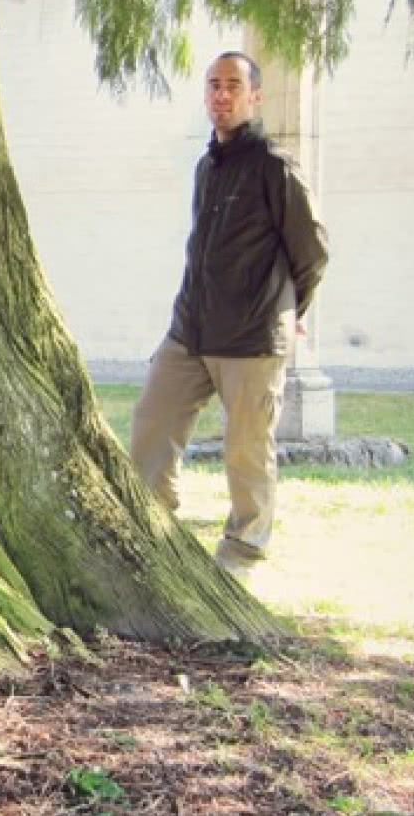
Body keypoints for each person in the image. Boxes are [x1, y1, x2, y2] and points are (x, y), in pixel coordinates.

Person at [129, 51, 329, 579]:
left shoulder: (274, 166)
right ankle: (158, 538)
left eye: (233, 86)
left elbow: (312, 252)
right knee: (152, 423)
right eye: (214, 85)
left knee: (246, 452)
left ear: (254, 96)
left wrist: (288, 310)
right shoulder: (206, 167)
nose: (222, 95)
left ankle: (242, 556)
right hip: (190, 330)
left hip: (252, 337)